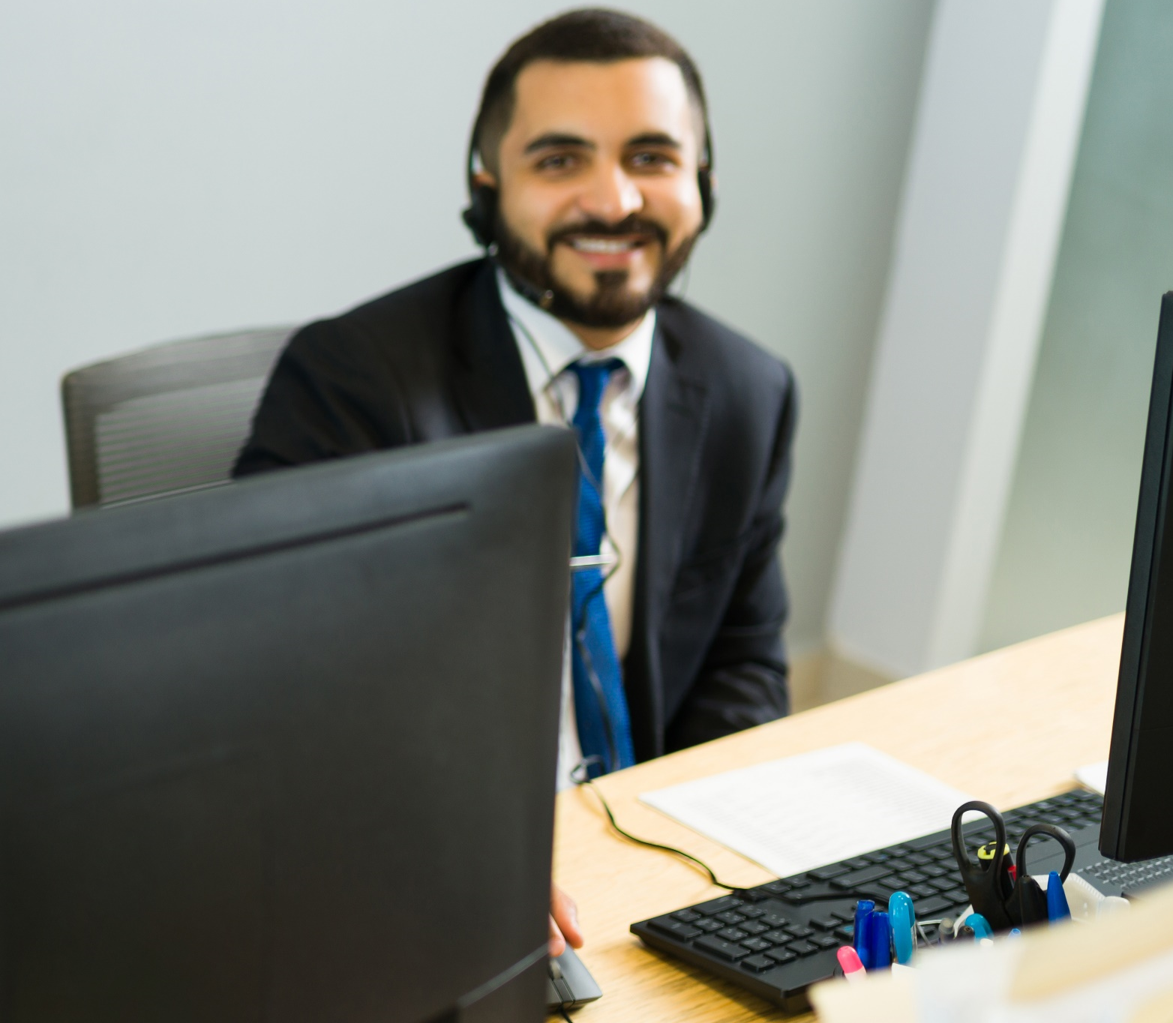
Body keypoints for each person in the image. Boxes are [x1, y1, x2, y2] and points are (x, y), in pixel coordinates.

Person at [233, 8, 793, 954]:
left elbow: (744, 664)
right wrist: (448, 854)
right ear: (485, 185)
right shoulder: (350, 380)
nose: (613, 200)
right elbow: (275, 688)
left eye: (652, 157)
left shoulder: (749, 388)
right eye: (560, 159)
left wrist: (690, 861)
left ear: (701, 182)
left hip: (638, 870)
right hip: (422, 867)